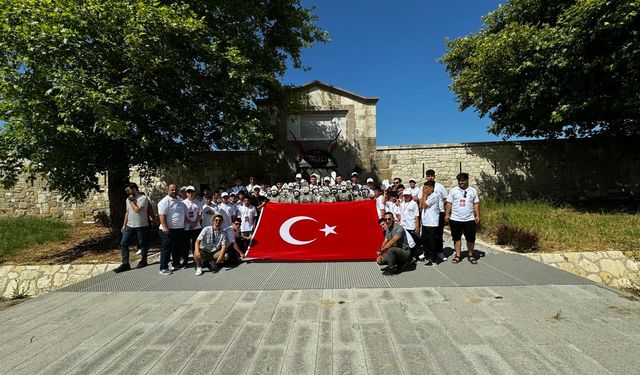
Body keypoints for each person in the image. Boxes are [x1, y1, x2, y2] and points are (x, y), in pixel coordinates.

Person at [445, 172, 480, 264]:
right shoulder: (453, 191)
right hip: (456, 219)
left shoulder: (473, 191)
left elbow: (475, 203)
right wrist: (447, 214)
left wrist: (477, 215)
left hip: (469, 219)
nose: (461, 182)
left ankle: (470, 255)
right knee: (456, 238)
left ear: (467, 180)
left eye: (462, 181)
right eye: (459, 181)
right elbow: (449, 203)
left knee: (471, 238)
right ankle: (458, 255)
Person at [114, 182, 150, 273]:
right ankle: (125, 263)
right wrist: (124, 225)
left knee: (142, 244)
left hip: (141, 225)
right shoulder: (128, 199)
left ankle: (144, 260)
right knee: (124, 242)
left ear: (134, 189)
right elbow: (127, 212)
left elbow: (137, 210)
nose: (128, 193)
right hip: (130, 225)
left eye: (129, 190)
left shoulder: (143, 198)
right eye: (126, 191)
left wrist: (132, 201)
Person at [157, 183, 186, 275]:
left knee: (176, 247)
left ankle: (176, 263)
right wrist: (165, 227)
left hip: (178, 229)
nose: (174, 191)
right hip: (167, 229)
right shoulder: (164, 201)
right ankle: (163, 267)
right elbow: (162, 215)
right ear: (168, 190)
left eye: (175, 189)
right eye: (172, 190)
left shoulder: (180, 200)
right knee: (166, 248)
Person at [421, 169, 449, 261]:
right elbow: (421, 200)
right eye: (428, 176)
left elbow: (445, 200)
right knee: (427, 235)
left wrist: (446, 214)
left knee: (438, 234)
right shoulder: (424, 187)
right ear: (426, 177)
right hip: (427, 213)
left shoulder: (440, 187)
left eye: (432, 176)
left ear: (434, 176)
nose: (430, 177)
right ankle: (427, 253)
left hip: (439, 212)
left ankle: (439, 252)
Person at [420, 181, 443, 266]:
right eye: (424, 188)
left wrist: (424, 194)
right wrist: (424, 194)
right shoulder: (427, 196)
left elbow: (423, 206)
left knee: (432, 241)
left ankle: (434, 260)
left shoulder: (434, 196)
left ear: (431, 188)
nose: (424, 190)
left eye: (426, 188)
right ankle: (427, 256)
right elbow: (420, 205)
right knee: (425, 240)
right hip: (425, 221)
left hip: (432, 222)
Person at [182, 186, 202, 268]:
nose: (190, 194)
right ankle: (185, 261)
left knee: (196, 245)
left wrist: (195, 223)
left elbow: (200, 214)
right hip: (187, 227)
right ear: (186, 193)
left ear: (194, 193)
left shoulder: (198, 202)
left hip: (196, 227)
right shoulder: (183, 203)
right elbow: (183, 215)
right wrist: (191, 223)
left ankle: (196, 260)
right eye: (188, 192)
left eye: (192, 192)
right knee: (185, 245)